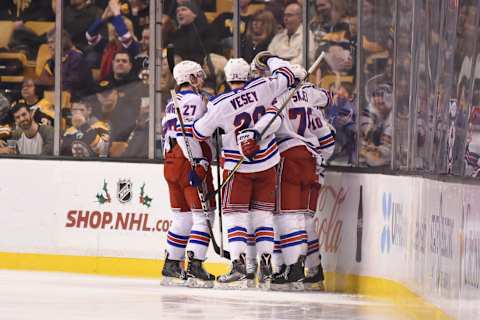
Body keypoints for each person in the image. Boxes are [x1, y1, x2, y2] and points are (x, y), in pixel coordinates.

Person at [191, 53, 295, 288]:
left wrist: (210, 112)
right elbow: (287, 75)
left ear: (227, 78)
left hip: (238, 166)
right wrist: (271, 59)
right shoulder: (264, 86)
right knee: (263, 216)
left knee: (235, 216)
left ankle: (239, 267)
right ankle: (266, 268)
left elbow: (198, 132)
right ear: (248, 74)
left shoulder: (220, 103)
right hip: (267, 162)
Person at [271, 64, 335, 291]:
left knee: (286, 217)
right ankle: (313, 269)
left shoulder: (276, 99)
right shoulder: (311, 104)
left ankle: (290, 267)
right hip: (312, 162)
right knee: (305, 218)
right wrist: (319, 160)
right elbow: (327, 141)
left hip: (288, 158)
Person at [161, 60, 216, 288]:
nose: (201, 79)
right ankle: (195, 267)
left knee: (182, 217)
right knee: (204, 217)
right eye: (198, 76)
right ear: (190, 78)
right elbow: (187, 134)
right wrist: (200, 162)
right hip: (188, 160)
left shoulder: (171, 103)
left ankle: (172, 265)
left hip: (171, 160)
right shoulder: (194, 100)